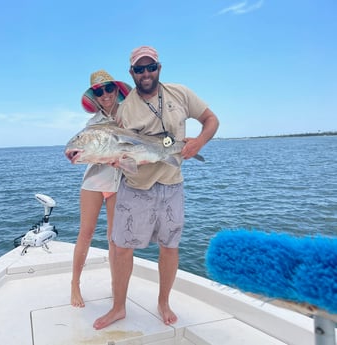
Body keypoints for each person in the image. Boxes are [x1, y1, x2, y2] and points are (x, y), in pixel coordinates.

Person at [93, 46, 220, 329]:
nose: (146, 73)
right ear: (132, 73)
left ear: (159, 68)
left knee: (169, 246)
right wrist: (118, 161)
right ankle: (118, 307)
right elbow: (124, 156)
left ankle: (163, 302)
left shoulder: (180, 93)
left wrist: (198, 142)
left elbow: (212, 120)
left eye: (151, 67)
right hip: (136, 187)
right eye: (140, 69)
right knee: (123, 247)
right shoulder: (125, 111)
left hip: (172, 185)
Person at [71, 70, 132, 307]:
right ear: (95, 97)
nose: (105, 94)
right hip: (95, 181)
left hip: (120, 181)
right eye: (99, 91)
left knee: (114, 239)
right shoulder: (91, 124)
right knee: (85, 234)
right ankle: (75, 285)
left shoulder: (130, 118)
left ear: (116, 90)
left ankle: (115, 286)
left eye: (108, 89)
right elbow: (84, 155)